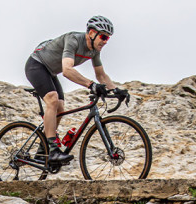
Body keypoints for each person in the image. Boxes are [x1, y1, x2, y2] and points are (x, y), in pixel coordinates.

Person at [25, 16, 129, 164]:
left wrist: (116, 90)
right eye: (103, 37)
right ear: (91, 33)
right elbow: (67, 70)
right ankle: (53, 150)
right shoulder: (73, 40)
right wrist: (91, 85)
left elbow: (101, 75)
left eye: (108, 39)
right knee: (53, 100)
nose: (105, 42)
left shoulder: (94, 51)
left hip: (50, 72)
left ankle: (43, 150)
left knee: (60, 107)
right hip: (36, 65)